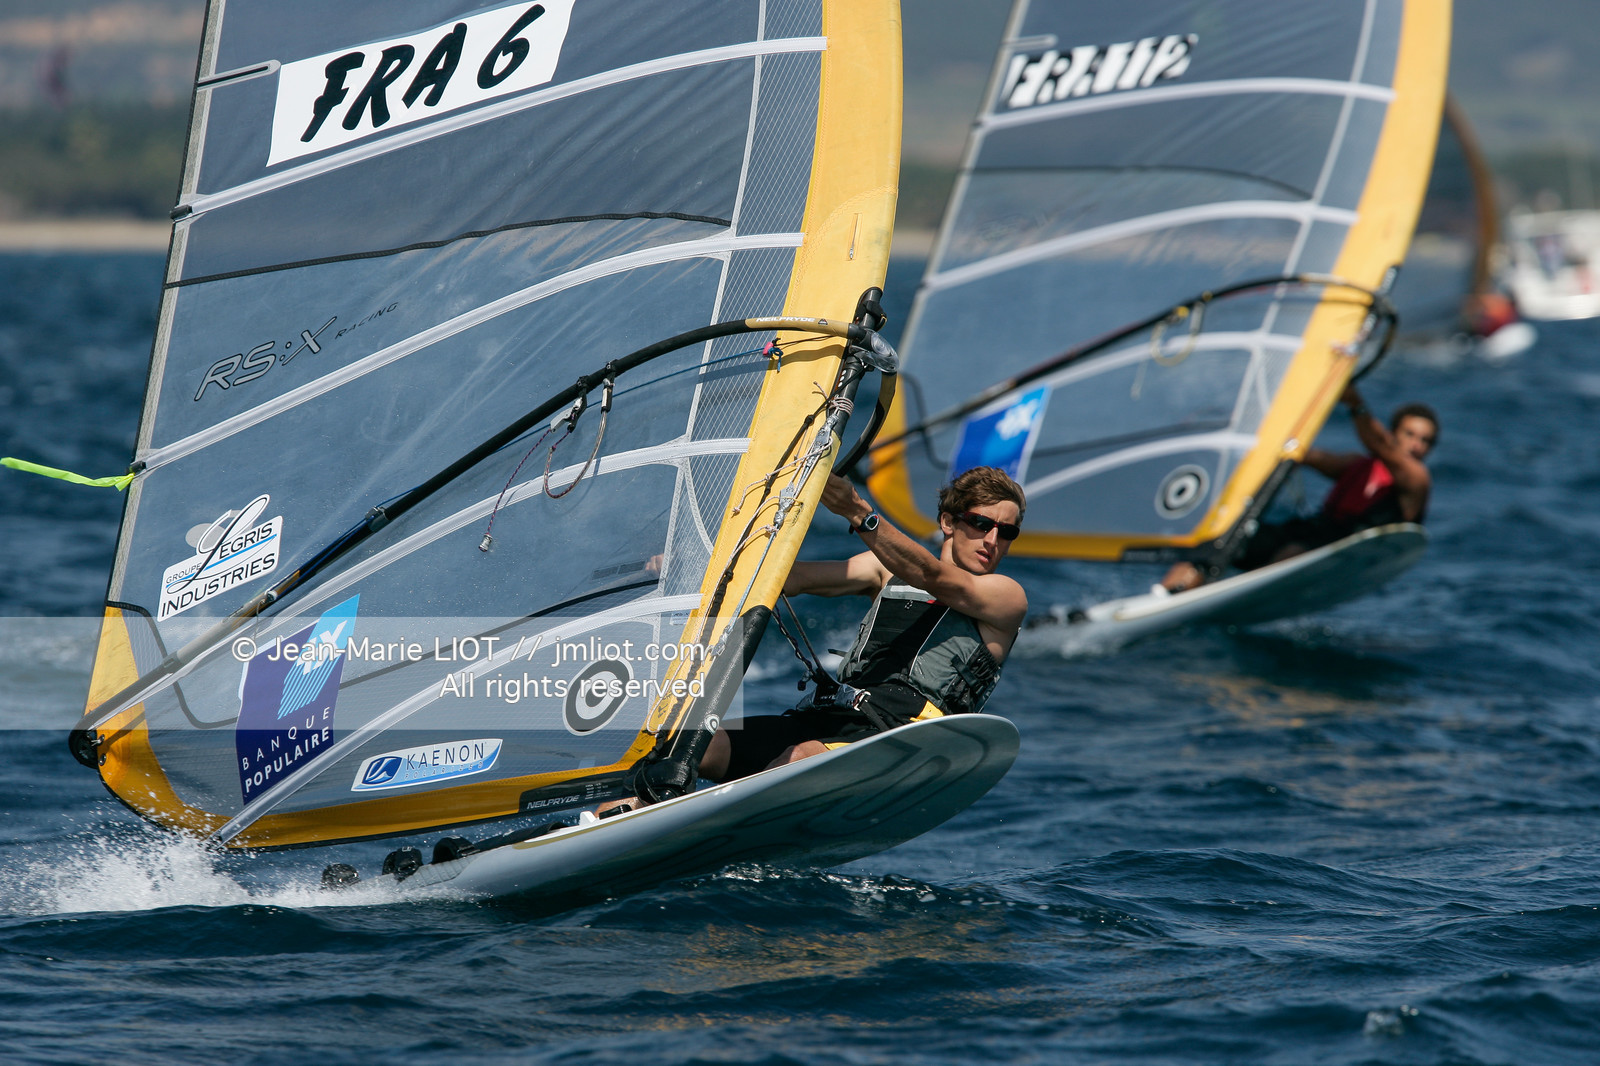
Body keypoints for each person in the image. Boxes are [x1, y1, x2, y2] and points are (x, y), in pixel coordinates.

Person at [702, 466, 1029, 782]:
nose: (992, 540)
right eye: (981, 523)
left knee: (798, 760)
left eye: (1007, 532)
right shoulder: (885, 571)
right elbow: (792, 579)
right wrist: (704, 567)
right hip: (837, 717)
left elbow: (934, 576)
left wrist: (857, 511)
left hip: (907, 737)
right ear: (948, 521)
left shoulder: (1006, 597)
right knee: (692, 747)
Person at [1162, 385, 1438, 591]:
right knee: (1220, 539)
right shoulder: (1359, 465)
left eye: (1425, 441)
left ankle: (1235, 594)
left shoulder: (1416, 479)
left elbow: (1382, 446)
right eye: (1410, 435)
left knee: (1294, 551)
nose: (1416, 445)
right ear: (1394, 433)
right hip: (1311, 531)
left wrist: (1356, 404)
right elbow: (1314, 457)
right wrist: (1279, 448)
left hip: (1335, 552)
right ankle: (1169, 594)